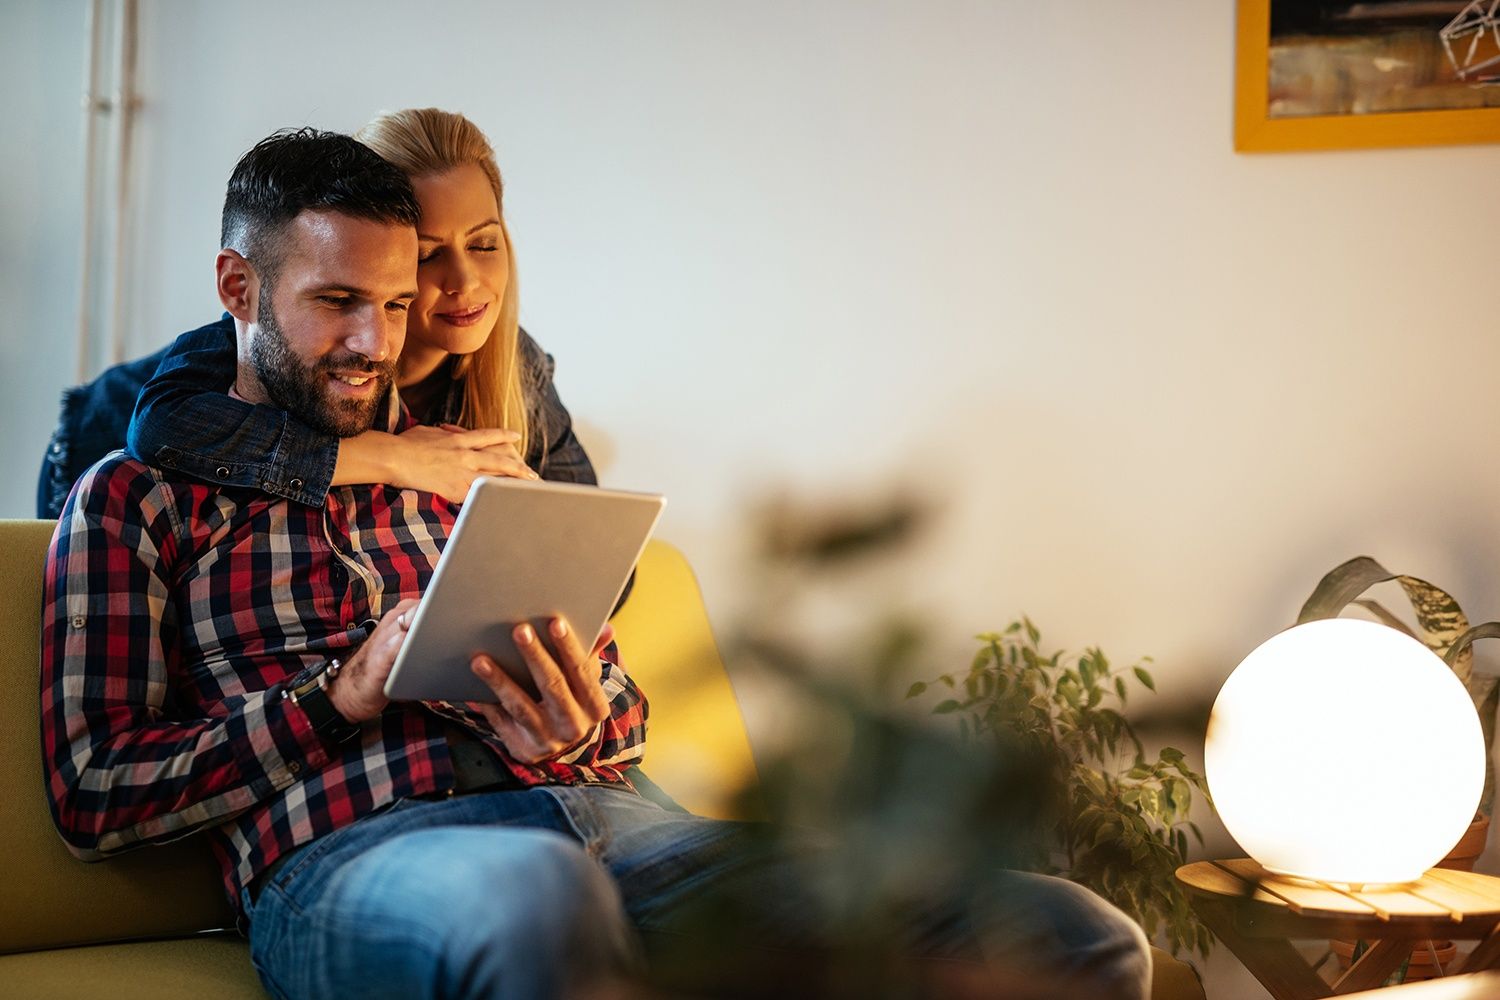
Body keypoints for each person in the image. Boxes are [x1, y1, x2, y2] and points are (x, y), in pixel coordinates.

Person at [41, 127, 1151, 1000]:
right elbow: (96, 796)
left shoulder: (461, 465)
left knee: (1080, 936)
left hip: (619, 824)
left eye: (392, 303)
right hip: (358, 856)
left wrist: (576, 723)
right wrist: (336, 700)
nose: (378, 346)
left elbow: (618, 714)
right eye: (336, 303)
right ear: (237, 288)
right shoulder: (137, 496)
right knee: (536, 897)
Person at [36, 107, 595, 520]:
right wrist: (393, 457)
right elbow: (164, 427)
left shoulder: (512, 363)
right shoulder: (275, 343)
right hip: (88, 447)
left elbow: (596, 542)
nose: (466, 282)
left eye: (484, 244)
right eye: (426, 256)